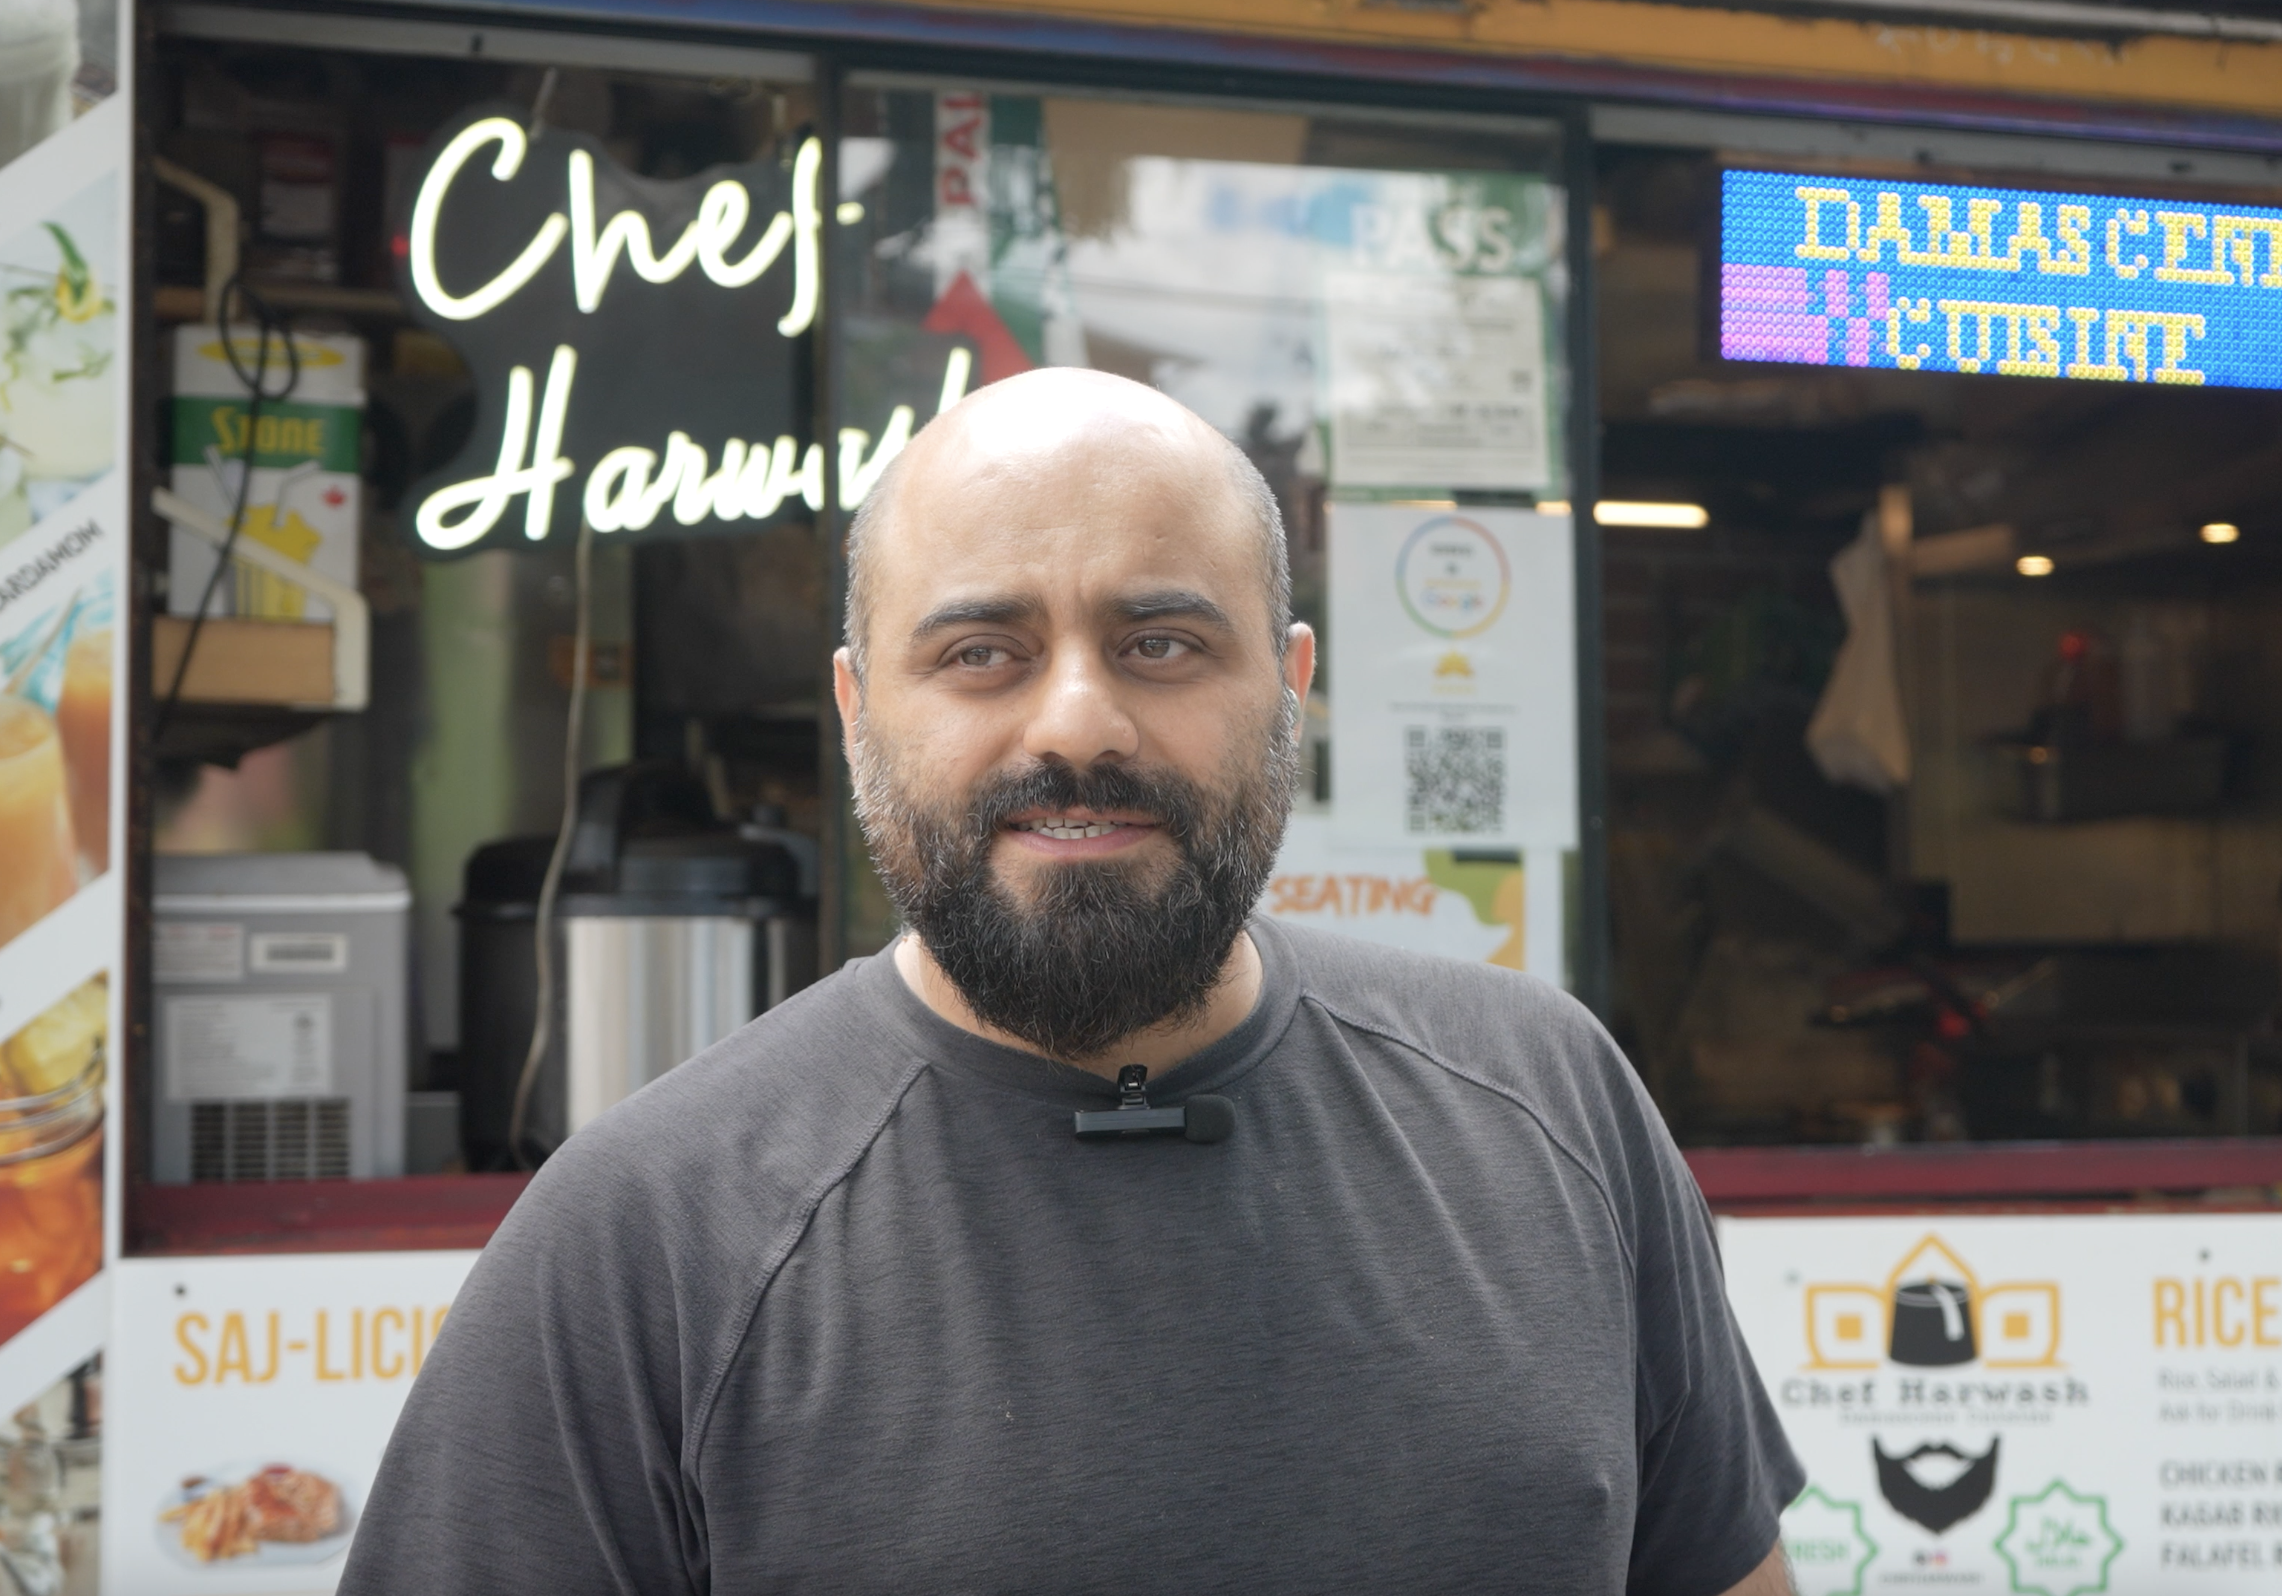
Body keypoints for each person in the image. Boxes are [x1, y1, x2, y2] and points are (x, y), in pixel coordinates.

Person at [342, 369, 1803, 1595]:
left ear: (1290, 687)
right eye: (981, 652)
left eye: (1160, 642)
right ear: (860, 711)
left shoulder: (1548, 1103)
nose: (1078, 722)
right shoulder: (643, 1234)